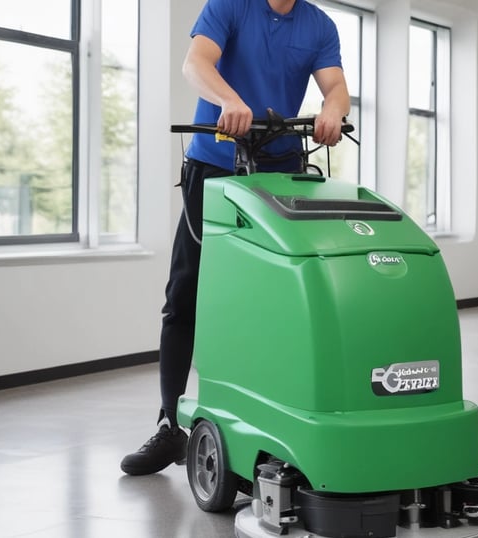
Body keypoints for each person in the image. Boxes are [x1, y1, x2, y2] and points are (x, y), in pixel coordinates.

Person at [120, 0, 350, 476]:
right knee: (185, 294)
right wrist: (229, 99)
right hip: (215, 166)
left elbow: (336, 88)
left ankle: (273, 420)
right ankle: (169, 425)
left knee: (279, 301)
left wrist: (332, 110)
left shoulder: (319, 25)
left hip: (281, 175)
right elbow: (196, 62)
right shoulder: (228, 5)